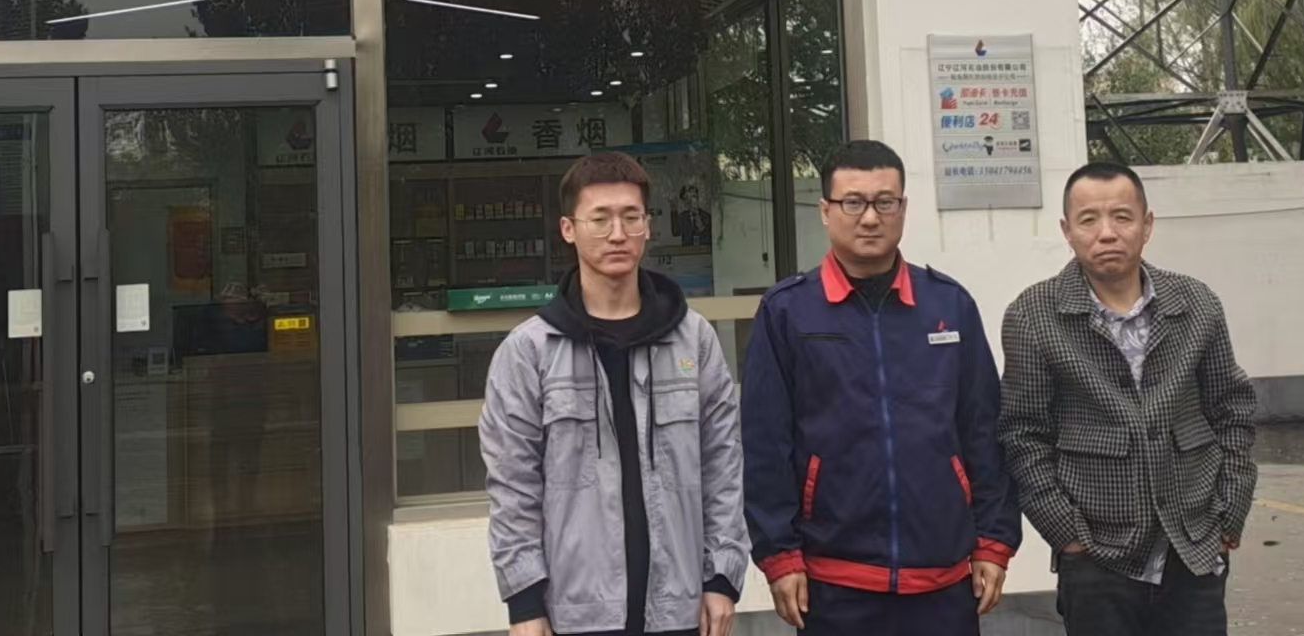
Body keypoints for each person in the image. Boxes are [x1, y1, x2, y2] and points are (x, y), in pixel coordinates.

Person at [741, 139, 1021, 635]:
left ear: (903, 208)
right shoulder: (788, 312)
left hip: (943, 579)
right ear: (825, 210)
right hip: (833, 582)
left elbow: (983, 429)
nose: (870, 218)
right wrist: (778, 555)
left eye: (884, 202)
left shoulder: (949, 305)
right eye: (853, 202)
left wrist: (994, 541)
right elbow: (766, 443)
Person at [478, 151, 749, 636]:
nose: (618, 233)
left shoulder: (694, 339)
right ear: (568, 229)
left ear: (648, 226)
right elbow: (513, 487)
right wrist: (524, 602)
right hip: (576, 612)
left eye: (631, 217)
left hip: (682, 606)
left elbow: (723, 466)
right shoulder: (529, 351)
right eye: (600, 219)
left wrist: (723, 578)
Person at [999, 161, 1257, 636]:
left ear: (1147, 224)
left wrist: (1229, 513)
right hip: (1097, 560)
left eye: (1122, 216)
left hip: (1193, 548)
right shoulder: (1034, 316)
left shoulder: (1196, 303)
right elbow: (1023, 435)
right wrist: (1067, 534)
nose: (1107, 233)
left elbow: (1232, 410)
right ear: (1067, 231)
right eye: (1089, 219)